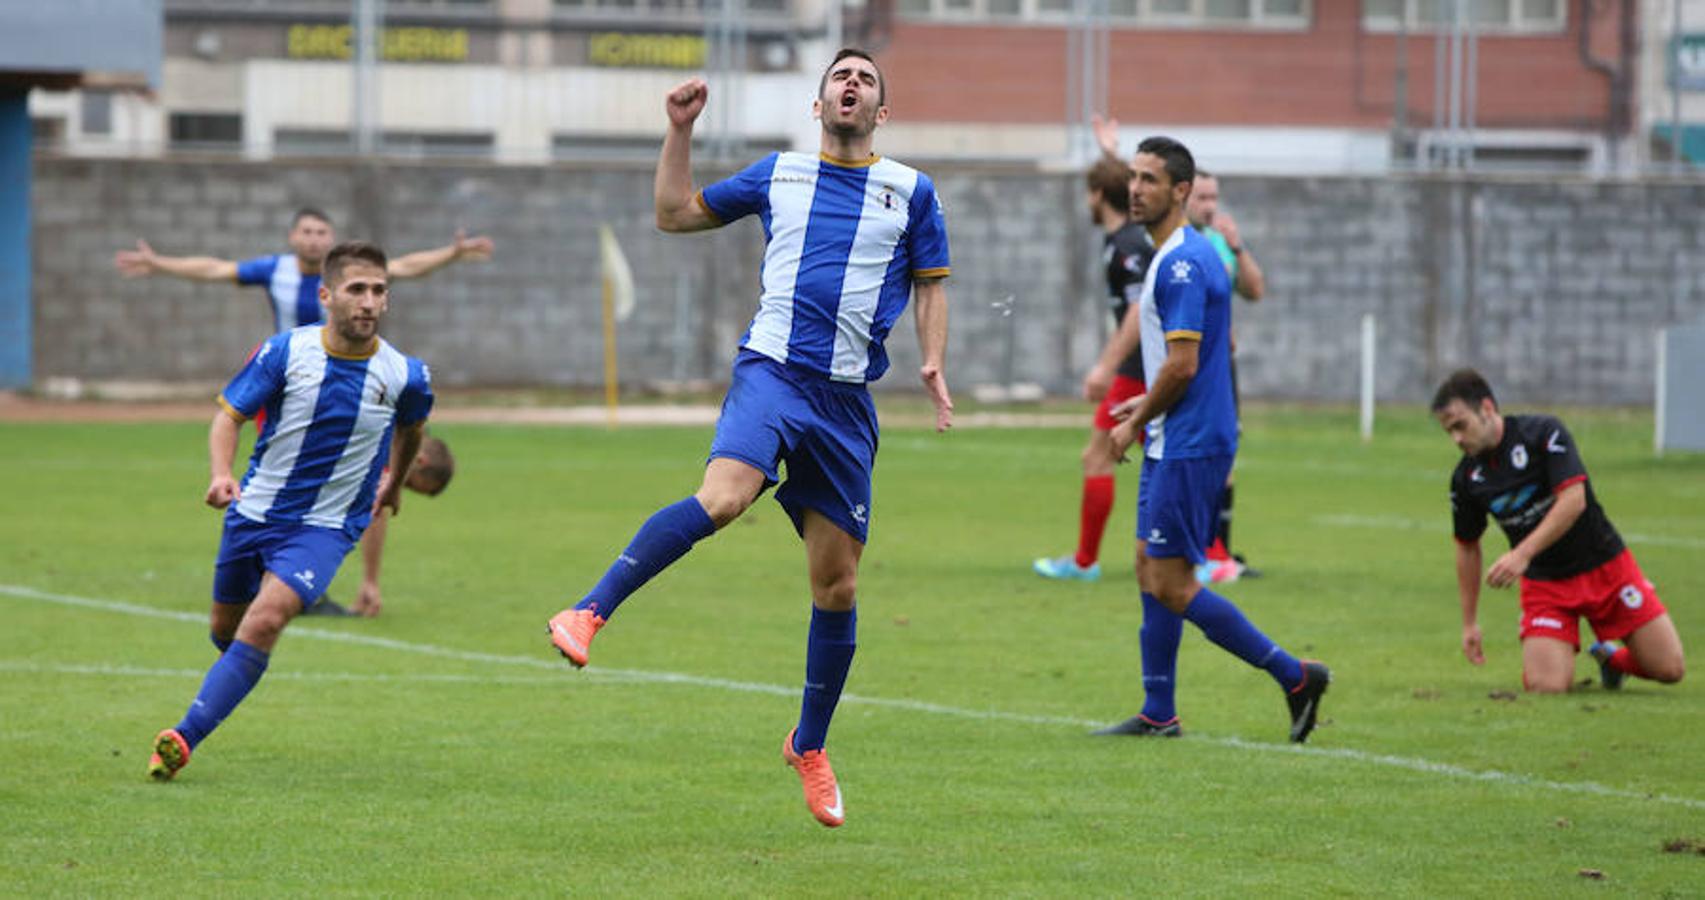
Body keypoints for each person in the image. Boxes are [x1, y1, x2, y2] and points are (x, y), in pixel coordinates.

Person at [545, 48, 953, 829]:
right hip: (771, 372)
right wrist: (678, 132)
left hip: (844, 404)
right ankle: (588, 612)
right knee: (724, 498)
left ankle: (809, 744)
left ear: (880, 112)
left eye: (866, 79)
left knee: (836, 586)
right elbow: (672, 214)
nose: (851, 85)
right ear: (818, 103)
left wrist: (932, 360)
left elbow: (931, 284)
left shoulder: (912, 192)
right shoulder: (779, 173)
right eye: (840, 76)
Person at [147, 241, 434, 781]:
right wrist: (220, 474)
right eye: (356, 289)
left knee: (269, 617)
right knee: (225, 632)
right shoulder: (284, 352)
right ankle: (231, 678)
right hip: (253, 513)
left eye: (378, 291)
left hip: (326, 527)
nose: (368, 301)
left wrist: (394, 483)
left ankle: (182, 738)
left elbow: (412, 429)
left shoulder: (405, 375)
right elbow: (228, 417)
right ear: (326, 295)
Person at [1098, 136, 1329, 742]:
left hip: (1189, 440)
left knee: (1172, 582)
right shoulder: (1176, 254)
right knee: (1150, 563)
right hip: (1174, 431)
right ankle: (1158, 712)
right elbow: (1172, 366)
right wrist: (1143, 407)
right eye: (1134, 176)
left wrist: (1132, 420)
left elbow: (1182, 366)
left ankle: (1294, 675)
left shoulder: (1179, 262)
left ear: (1180, 191)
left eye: (1150, 179)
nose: (1137, 188)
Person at [1432, 369, 1685, 693]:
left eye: (1460, 425)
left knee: (1669, 668)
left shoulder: (1543, 433)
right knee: (1547, 686)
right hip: (1546, 585)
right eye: (1448, 431)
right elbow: (1467, 546)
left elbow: (1573, 500)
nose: (1456, 438)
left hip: (1605, 566)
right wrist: (1469, 623)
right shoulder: (1466, 479)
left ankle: (1612, 660)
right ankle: (1552, 654)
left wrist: (1522, 553)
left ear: (1486, 408)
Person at [1032, 158, 1153, 581]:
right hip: (1142, 368)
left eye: (1090, 190)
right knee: (1139, 456)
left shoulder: (1127, 246)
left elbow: (1139, 310)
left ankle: (1085, 562)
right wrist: (1110, 152)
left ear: (1099, 195)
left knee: (1100, 457)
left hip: (1138, 371)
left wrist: (1105, 366)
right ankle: (1200, 551)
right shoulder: (1124, 238)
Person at [113, 207, 495, 334]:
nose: (314, 239)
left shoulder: (351, 271)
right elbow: (214, 268)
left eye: (321, 232)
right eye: (307, 232)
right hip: (292, 370)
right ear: (293, 236)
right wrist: (159, 262)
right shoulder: (273, 269)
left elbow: (405, 266)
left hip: (343, 363)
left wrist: (452, 253)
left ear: (331, 237)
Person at [1183, 169, 1264, 584]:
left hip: (1218, 366)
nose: (1210, 205)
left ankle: (1219, 554)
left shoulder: (1220, 243)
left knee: (1224, 455)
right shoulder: (1177, 245)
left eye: (1214, 197)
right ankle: (1194, 551)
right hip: (1187, 363)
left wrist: (1239, 246)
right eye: (1202, 197)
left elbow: (1255, 290)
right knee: (1189, 454)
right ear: (1183, 196)